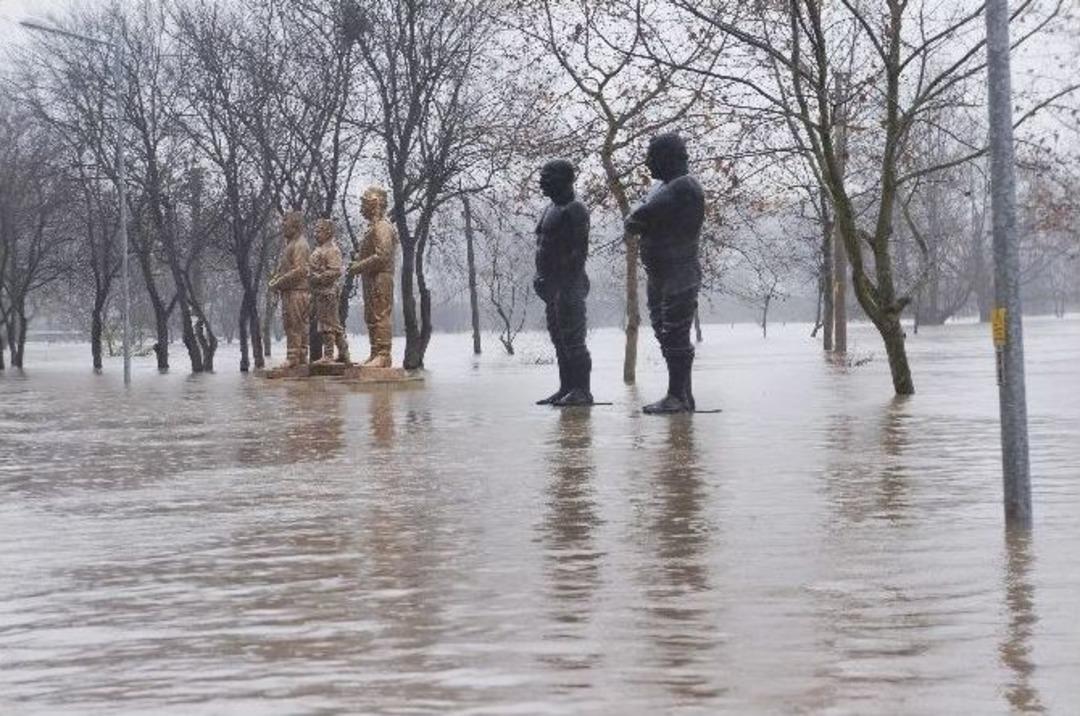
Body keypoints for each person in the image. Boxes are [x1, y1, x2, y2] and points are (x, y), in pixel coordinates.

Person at [625, 133, 705, 414]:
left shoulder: (684, 186)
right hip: (660, 274)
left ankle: (678, 396)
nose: (647, 162)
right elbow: (636, 220)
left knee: (674, 334)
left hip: (679, 272)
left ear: (669, 156)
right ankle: (683, 394)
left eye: (652, 156)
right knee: (664, 332)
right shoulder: (662, 187)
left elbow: (638, 218)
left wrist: (640, 220)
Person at [533, 159, 593, 407]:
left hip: (569, 284)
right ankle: (566, 387)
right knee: (558, 338)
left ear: (564, 178)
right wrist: (542, 277)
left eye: (548, 176)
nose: (542, 181)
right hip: (551, 286)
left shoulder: (575, 209)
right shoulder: (550, 208)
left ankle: (582, 390)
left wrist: (561, 278)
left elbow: (578, 252)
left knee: (573, 339)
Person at [348, 186, 397, 368]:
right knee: (370, 315)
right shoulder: (374, 227)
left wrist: (359, 266)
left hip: (381, 277)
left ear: (375, 204)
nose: (362, 208)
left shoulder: (383, 227)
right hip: (371, 277)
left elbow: (382, 256)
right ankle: (375, 352)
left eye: (365, 204)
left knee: (380, 314)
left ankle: (383, 354)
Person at [269, 211, 311, 369]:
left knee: (295, 324)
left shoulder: (300, 244)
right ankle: (297, 355)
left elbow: (300, 270)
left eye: (285, 222)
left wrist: (279, 282)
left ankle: (295, 356)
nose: (282, 225)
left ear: (295, 225)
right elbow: (286, 269)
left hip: (298, 291)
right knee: (290, 324)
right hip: (290, 291)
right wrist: (277, 279)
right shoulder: (291, 244)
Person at [309, 218, 350, 365]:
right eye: (315, 230)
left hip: (328, 291)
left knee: (327, 324)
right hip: (320, 291)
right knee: (334, 324)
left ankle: (328, 355)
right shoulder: (320, 249)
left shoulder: (332, 250)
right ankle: (344, 354)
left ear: (328, 232)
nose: (316, 234)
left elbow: (335, 271)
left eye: (319, 230)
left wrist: (318, 277)